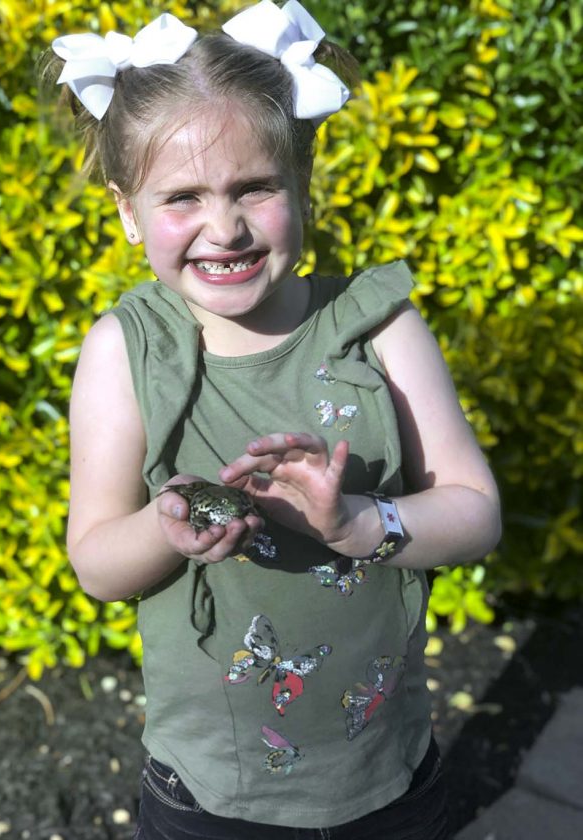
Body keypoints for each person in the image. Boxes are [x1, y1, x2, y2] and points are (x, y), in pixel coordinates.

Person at [47, 2, 501, 837]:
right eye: (181, 197)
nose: (224, 228)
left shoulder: (380, 328)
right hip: (209, 793)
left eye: (254, 188)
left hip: (389, 777)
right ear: (127, 210)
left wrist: (356, 522)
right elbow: (98, 563)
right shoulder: (126, 352)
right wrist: (165, 525)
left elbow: (475, 512)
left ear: (302, 183)